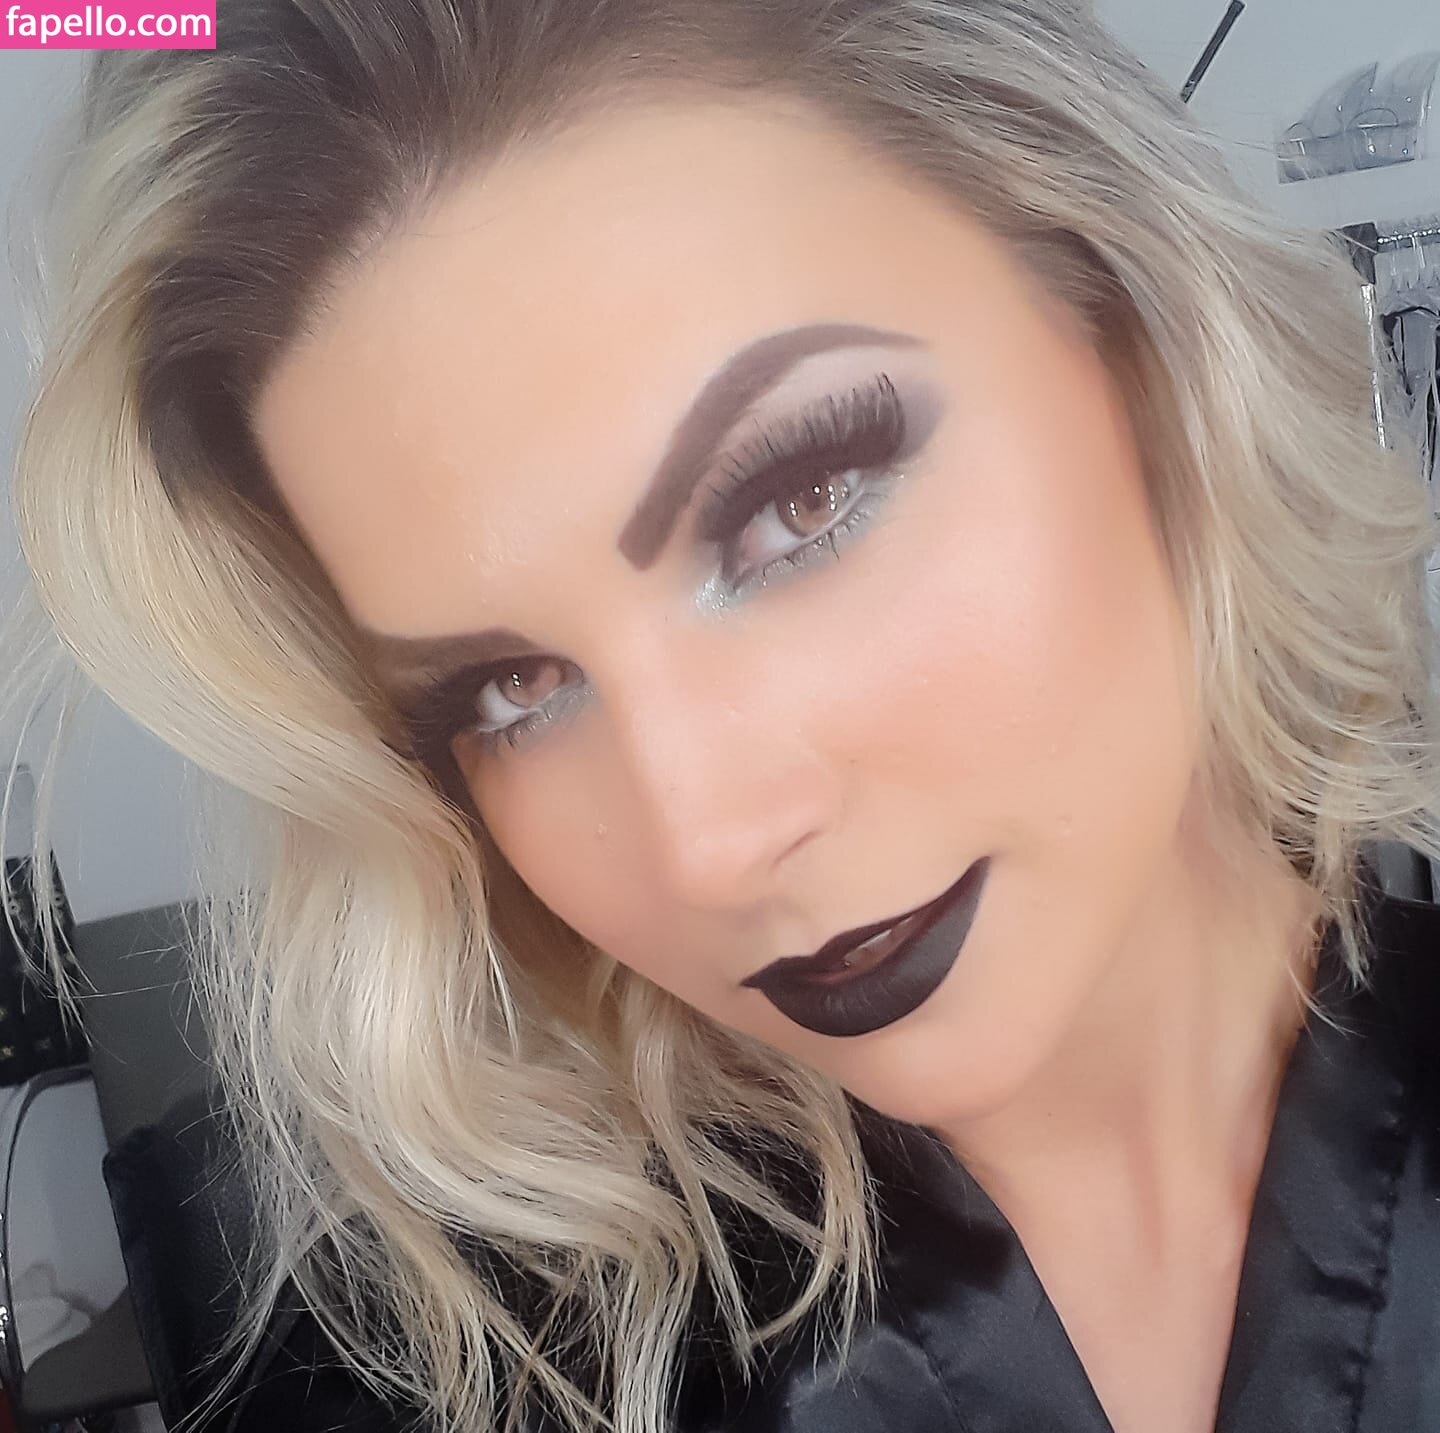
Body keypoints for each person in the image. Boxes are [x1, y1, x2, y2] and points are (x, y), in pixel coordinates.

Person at [3, 2, 1440, 1430]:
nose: (705, 844)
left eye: (801, 503)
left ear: (1135, 338)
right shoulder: (442, 1379)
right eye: (511, 689)